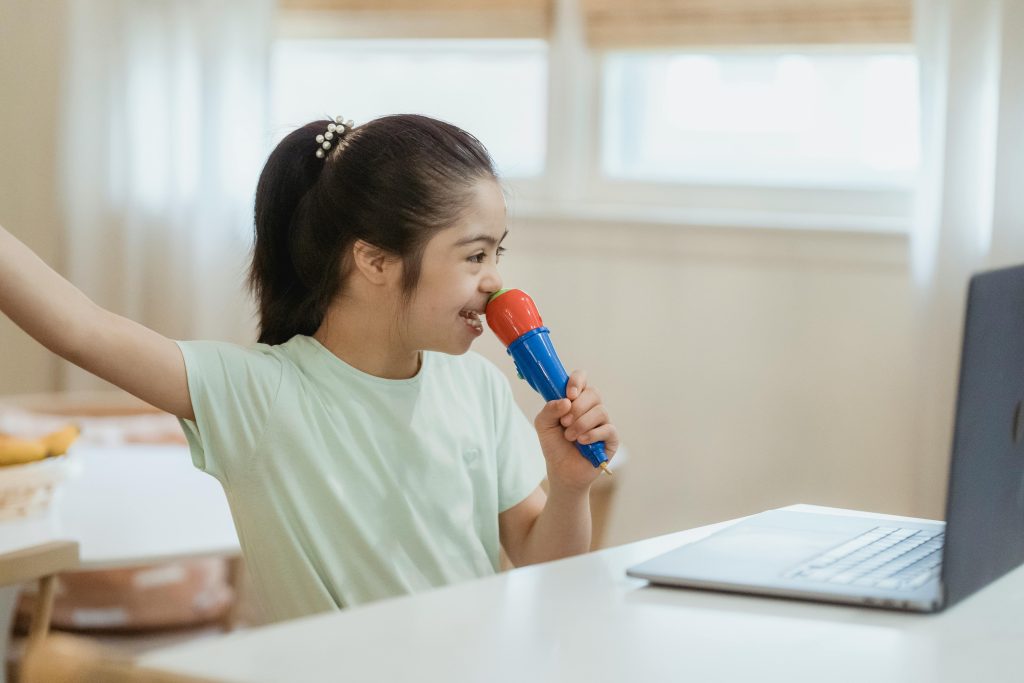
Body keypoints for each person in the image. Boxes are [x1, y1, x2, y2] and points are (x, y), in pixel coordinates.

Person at [0, 113, 619, 622]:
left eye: (497, 252)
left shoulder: (477, 389)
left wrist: (569, 486)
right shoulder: (258, 394)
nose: (495, 280)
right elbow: (80, 329)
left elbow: (545, 568)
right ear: (374, 261)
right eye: (474, 254)